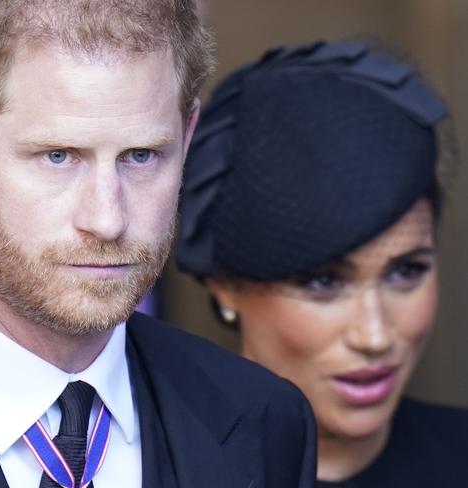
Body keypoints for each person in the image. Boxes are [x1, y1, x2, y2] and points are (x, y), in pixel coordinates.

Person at [0, 2, 316, 487]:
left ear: (186, 139)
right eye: (58, 156)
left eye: (141, 156)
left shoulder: (265, 423)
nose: (107, 219)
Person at [177, 41, 468, 487]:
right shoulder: (149, 471)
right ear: (225, 283)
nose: (374, 336)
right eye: (323, 281)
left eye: (406, 271)